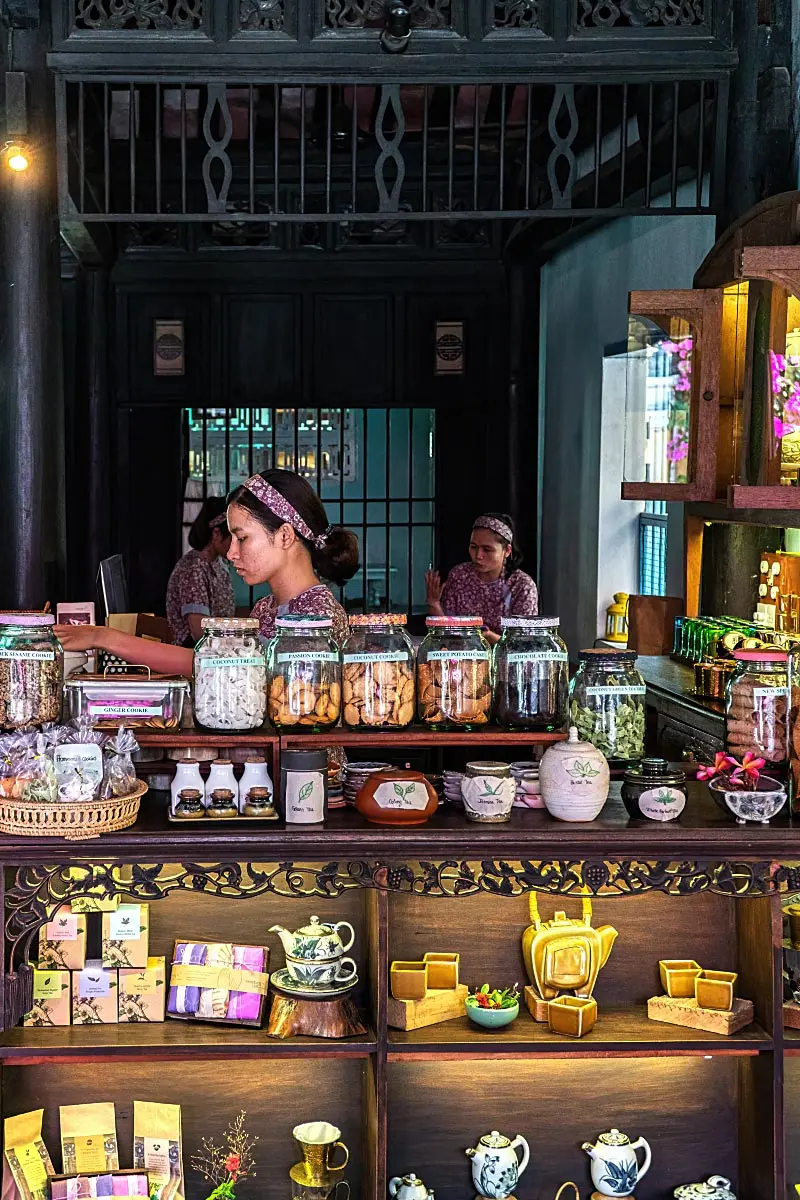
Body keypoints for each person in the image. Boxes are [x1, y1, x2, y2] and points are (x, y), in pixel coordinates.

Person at [56, 470, 359, 673]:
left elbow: (211, 663)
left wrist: (104, 637)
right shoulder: (266, 608)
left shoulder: (317, 617)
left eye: (242, 538)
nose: (231, 552)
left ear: (284, 535)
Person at [425, 513, 538, 645]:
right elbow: (445, 634)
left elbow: (524, 645)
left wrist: (490, 639)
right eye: (473, 547)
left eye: (487, 549)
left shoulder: (521, 586)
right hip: (462, 659)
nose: (478, 556)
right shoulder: (459, 576)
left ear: (506, 551)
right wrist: (433, 603)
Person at [166, 497, 235, 647]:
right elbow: (199, 631)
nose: (238, 545)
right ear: (216, 534)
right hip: (192, 653)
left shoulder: (218, 563)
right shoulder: (193, 569)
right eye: (234, 537)